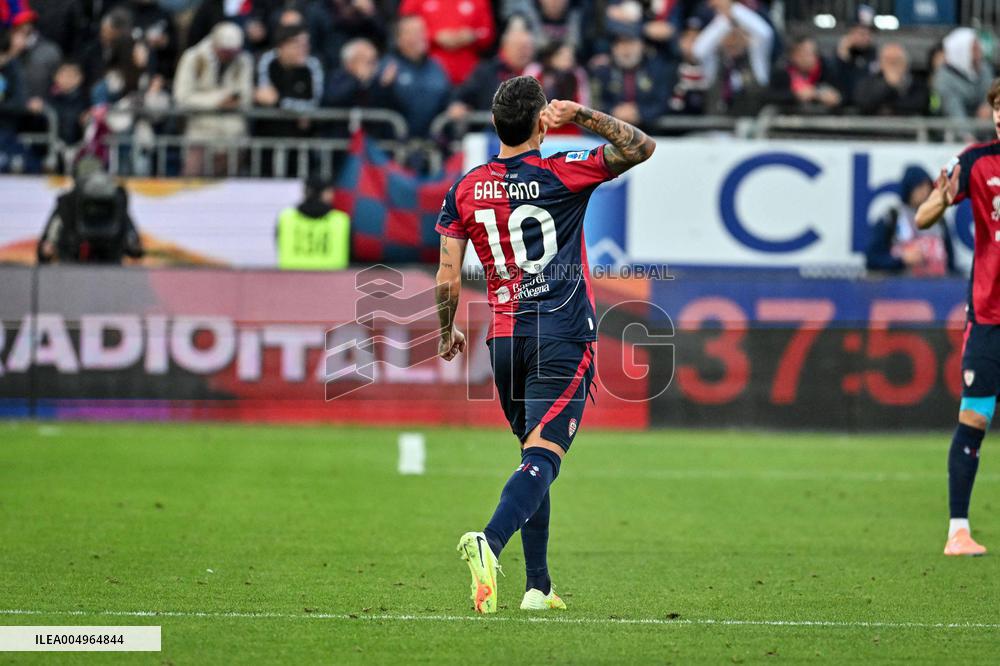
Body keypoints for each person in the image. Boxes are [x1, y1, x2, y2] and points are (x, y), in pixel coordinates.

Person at [434, 76, 655, 613]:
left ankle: (538, 586)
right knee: (545, 456)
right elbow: (641, 147)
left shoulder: (466, 188)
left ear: (494, 124)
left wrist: (445, 330)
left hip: (505, 340)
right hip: (561, 332)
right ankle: (489, 542)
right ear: (542, 124)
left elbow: (446, 276)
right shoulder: (562, 170)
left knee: (533, 454)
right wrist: (580, 113)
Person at [914, 77, 1000, 557]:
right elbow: (922, 217)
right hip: (990, 318)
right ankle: (958, 532)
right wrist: (943, 199)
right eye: (997, 107)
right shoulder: (975, 162)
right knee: (974, 417)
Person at [172, 22, 253, 177]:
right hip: (200, 132)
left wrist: (235, 100)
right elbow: (182, 97)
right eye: (225, 52)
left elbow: (246, 96)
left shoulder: (243, 60)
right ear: (215, 44)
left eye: (233, 52)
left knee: (228, 185)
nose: (230, 56)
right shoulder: (193, 58)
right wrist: (218, 101)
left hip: (233, 135)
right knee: (192, 179)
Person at [37, 159, 143, 264]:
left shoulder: (116, 201)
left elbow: (133, 243)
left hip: (101, 262)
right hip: (77, 261)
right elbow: (48, 245)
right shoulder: (67, 202)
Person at [865, 165, 952, 275]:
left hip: (936, 283)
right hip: (900, 283)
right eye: (920, 187)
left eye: (928, 187)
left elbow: (951, 263)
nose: (925, 192)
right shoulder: (892, 218)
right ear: (909, 188)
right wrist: (901, 260)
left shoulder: (939, 219)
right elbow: (872, 259)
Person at [690, 0, 773, 115]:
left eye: (736, 38)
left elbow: (765, 33)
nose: (733, 42)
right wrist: (724, 20)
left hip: (751, 124)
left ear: (746, 40)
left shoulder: (757, 61)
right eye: (728, 38)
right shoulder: (713, 65)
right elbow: (698, 50)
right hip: (716, 124)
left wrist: (733, 8)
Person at [589, 21, 672, 129]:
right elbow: (594, 102)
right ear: (613, 48)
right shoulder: (602, 72)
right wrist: (613, 112)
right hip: (609, 132)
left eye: (631, 43)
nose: (626, 49)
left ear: (642, 46)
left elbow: (662, 103)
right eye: (621, 43)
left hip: (652, 132)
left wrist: (639, 113)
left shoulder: (656, 70)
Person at [378, 14, 450, 138]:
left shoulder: (436, 66)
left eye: (422, 31)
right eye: (414, 32)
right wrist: (383, 87)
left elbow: (447, 97)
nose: (421, 36)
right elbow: (376, 104)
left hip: (433, 141)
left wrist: (455, 105)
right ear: (399, 39)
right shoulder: (388, 65)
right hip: (394, 143)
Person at [398, 0, 495, 85]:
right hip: (427, 77)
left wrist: (472, 36)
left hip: (469, 76)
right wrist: (434, 37)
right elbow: (403, 32)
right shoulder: (414, 2)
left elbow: (488, 34)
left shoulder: (479, 2)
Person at [447, 25, 535, 117]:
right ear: (505, 47)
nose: (523, 52)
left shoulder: (539, 72)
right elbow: (462, 94)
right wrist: (456, 104)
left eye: (527, 48)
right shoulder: (487, 72)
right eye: (519, 47)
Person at [275, 177, 350, 271]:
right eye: (330, 192)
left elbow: (278, 244)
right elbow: (352, 254)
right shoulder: (341, 220)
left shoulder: (286, 217)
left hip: (290, 275)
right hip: (332, 276)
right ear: (325, 194)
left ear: (305, 192)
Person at [934, 27, 994, 141]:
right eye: (974, 48)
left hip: (986, 133)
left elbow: (990, 91)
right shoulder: (944, 79)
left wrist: (988, 105)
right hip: (953, 138)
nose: (980, 52)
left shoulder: (984, 68)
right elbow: (954, 111)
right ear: (961, 51)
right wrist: (967, 137)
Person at [766, 36, 843, 114]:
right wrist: (796, 95)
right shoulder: (782, 71)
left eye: (813, 53)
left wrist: (833, 97)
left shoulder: (825, 69)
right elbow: (770, 96)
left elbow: (842, 94)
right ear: (793, 55)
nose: (810, 58)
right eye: (805, 54)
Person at [854, 42, 929, 116]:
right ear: (880, 63)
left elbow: (919, 105)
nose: (892, 63)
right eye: (888, 59)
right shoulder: (866, 83)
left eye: (897, 59)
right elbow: (864, 104)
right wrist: (888, 85)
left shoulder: (918, 83)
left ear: (905, 63)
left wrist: (887, 106)